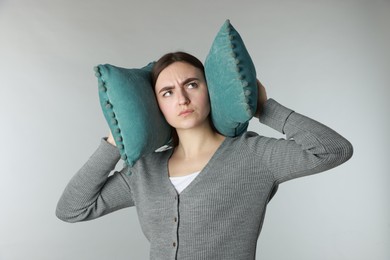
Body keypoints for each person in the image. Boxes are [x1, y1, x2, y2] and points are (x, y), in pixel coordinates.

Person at [56, 52, 353, 260]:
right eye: (167, 92)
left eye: (191, 85)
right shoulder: (144, 171)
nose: (182, 99)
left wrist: (264, 108)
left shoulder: (252, 154)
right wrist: (115, 139)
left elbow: (333, 150)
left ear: (209, 91)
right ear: (156, 105)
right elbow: (72, 209)